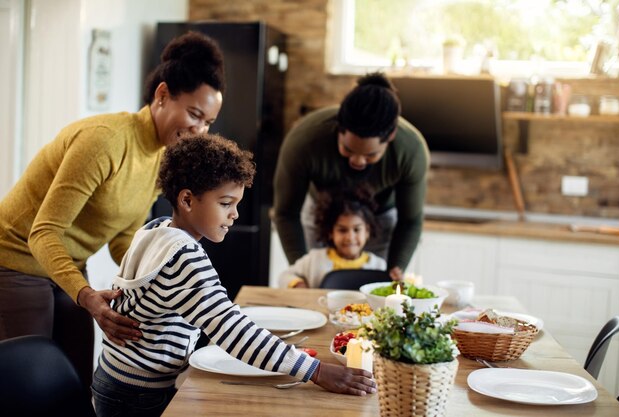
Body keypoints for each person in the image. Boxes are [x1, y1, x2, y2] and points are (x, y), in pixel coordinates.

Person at [91, 133, 377, 417]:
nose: (235, 215)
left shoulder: (156, 229)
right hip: (138, 395)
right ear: (188, 200)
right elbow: (232, 330)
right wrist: (315, 370)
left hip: (117, 380)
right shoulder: (183, 257)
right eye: (226, 203)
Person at [0, 31, 226, 387]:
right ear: (163, 95)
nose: (199, 130)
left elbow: (123, 236)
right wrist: (89, 297)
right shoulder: (104, 141)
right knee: (28, 385)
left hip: (66, 264)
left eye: (208, 122)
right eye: (194, 114)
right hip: (14, 260)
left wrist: (157, 278)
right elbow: (42, 232)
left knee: (75, 382)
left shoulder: (162, 156)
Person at [273, 72, 430, 281]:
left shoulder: (411, 150)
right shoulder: (304, 141)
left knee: (371, 289)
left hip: (379, 219)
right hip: (321, 215)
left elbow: (411, 220)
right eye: (347, 149)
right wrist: (302, 272)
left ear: (390, 136)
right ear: (339, 128)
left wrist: (393, 273)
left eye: (370, 155)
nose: (358, 161)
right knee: (318, 282)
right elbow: (286, 213)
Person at [278, 186, 386, 288]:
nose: (350, 237)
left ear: (367, 231)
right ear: (330, 232)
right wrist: (298, 285)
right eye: (342, 230)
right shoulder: (314, 260)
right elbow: (284, 276)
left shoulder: (378, 266)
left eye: (357, 230)